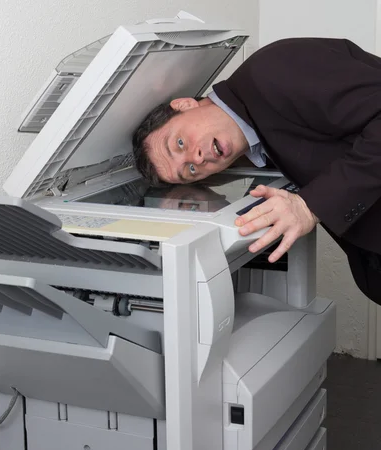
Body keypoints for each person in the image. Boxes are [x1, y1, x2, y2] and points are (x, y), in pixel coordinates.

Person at [132, 37, 381, 305]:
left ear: (185, 105)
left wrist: (310, 206)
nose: (198, 157)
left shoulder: (273, 70)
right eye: (190, 170)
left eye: (179, 143)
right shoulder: (257, 141)